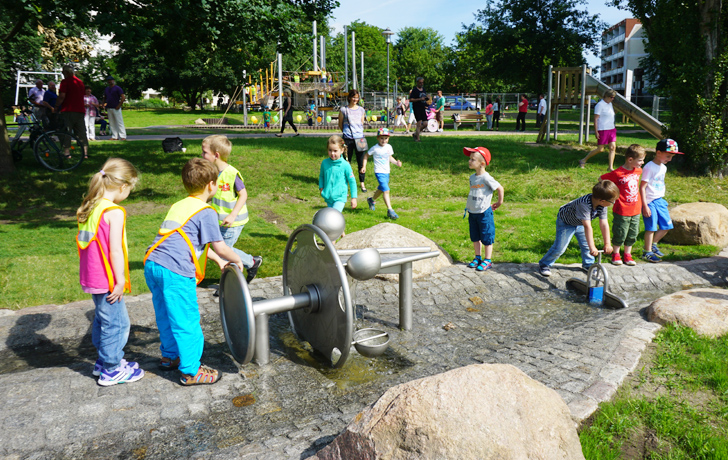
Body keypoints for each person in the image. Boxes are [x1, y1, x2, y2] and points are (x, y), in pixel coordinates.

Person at [144, 158, 244, 385]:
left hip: (153, 264)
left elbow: (183, 240)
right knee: (186, 320)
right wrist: (236, 258)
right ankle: (191, 370)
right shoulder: (206, 211)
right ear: (211, 185)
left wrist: (217, 260)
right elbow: (219, 244)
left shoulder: (179, 205)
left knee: (166, 314)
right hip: (175, 271)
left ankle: (170, 357)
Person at [76, 158, 144, 386]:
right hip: (106, 278)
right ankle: (112, 369)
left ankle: (103, 362)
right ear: (123, 186)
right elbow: (114, 250)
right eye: (130, 189)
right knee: (117, 324)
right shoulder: (114, 211)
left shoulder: (91, 205)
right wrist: (120, 280)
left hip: (91, 275)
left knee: (103, 320)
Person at [200, 134, 262, 283]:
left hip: (233, 222)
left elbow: (243, 195)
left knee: (224, 252)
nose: (201, 155)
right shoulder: (213, 172)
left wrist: (232, 215)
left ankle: (230, 282)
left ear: (216, 155)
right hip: (220, 221)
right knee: (223, 250)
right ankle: (252, 262)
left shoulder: (232, 174)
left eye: (204, 152)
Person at [538, 180, 618, 277]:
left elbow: (604, 224)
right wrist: (593, 247)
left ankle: (588, 265)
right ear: (602, 201)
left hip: (580, 222)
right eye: (612, 201)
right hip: (566, 223)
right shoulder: (584, 204)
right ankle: (544, 264)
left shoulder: (602, 205)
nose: (614, 202)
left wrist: (607, 244)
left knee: (586, 246)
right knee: (560, 247)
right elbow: (587, 226)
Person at [600, 144, 646, 266]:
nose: (642, 163)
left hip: (636, 208)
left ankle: (627, 254)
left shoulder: (638, 171)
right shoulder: (618, 173)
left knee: (633, 232)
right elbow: (601, 179)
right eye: (640, 160)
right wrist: (613, 194)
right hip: (622, 209)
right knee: (620, 231)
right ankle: (616, 253)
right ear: (630, 159)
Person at [640, 139, 684, 263]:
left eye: (672, 157)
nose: (670, 159)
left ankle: (654, 244)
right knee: (651, 228)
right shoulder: (649, 167)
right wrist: (645, 205)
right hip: (650, 202)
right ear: (658, 153)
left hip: (659, 200)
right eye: (668, 156)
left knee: (667, 225)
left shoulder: (663, 168)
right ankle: (647, 252)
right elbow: (642, 187)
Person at [463, 147, 504, 272]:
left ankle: (488, 260)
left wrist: (499, 202)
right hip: (472, 211)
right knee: (475, 236)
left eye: (472, 159)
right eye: (470, 159)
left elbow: (500, 188)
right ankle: (477, 257)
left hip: (484, 212)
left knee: (486, 236)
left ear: (482, 163)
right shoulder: (472, 177)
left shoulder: (486, 178)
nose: (469, 161)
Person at [361, 128, 402, 220]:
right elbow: (366, 156)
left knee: (381, 189)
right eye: (381, 138)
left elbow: (390, 157)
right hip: (379, 172)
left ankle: (371, 200)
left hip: (386, 171)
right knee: (386, 190)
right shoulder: (375, 148)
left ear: (388, 139)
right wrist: (364, 166)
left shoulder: (389, 147)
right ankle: (390, 210)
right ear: (377, 138)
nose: (384, 140)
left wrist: (396, 163)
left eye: (386, 138)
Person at [55, 65, 89, 158]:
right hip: (80, 110)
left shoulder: (65, 82)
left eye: (63, 72)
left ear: (66, 73)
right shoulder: (80, 82)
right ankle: (85, 153)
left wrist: (56, 106)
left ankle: (67, 153)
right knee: (82, 132)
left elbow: (62, 96)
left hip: (68, 110)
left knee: (66, 131)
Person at [338, 89, 368, 192]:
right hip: (348, 138)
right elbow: (340, 123)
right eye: (353, 97)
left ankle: (362, 183)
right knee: (347, 161)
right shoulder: (343, 110)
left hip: (360, 138)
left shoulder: (361, 110)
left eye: (357, 97)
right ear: (349, 97)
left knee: (361, 161)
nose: (355, 99)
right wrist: (346, 133)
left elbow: (361, 123)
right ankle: (345, 183)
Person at [579, 90, 617, 171]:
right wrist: (596, 132)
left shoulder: (610, 104)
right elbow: (595, 119)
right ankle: (583, 160)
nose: (612, 99)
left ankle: (610, 167)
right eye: (611, 97)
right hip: (603, 129)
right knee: (600, 149)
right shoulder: (599, 105)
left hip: (612, 129)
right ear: (606, 96)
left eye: (613, 97)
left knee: (613, 147)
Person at [319, 135, 358, 213]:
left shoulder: (345, 165)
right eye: (330, 150)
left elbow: (352, 181)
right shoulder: (325, 163)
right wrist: (321, 188)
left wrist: (354, 198)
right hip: (328, 197)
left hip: (340, 198)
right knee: (331, 217)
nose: (332, 153)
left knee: (334, 215)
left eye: (335, 151)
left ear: (342, 150)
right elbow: (321, 176)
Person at [104, 76, 127, 141]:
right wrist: (103, 104)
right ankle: (114, 136)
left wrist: (119, 105)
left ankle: (123, 136)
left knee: (119, 122)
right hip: (109, 107)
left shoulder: (117, 88)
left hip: (116, 107)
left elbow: (123, 97)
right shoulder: (107, 89)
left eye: (111, 80)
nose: (109, 81)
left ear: (113, 81)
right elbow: (105, 97)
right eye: (108, 80)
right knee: (111, 122)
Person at [409, 77, 427, 142]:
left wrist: (427, 99)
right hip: (417, 108)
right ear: (417, 83)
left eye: (422, 82)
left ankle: (416, 133)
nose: (421, 84)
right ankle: (417, 139)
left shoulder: (424, 89)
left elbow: (424, 98)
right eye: (420, 82)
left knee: (425, 123)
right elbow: (411, 99)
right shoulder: (415, 90)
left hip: (423, 108)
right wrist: (420, 99)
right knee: (419, 123)